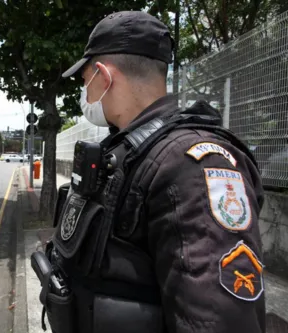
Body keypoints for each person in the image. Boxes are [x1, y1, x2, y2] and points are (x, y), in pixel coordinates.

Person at [35, 10, 265, 333]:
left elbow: (218, 321)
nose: (84, 91)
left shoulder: (193, 166)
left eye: (84, 79)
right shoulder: (131, 152)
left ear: (103, 76)